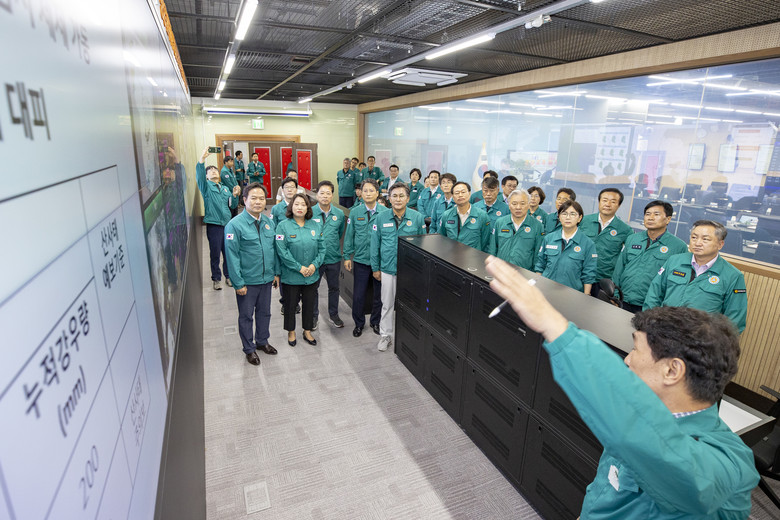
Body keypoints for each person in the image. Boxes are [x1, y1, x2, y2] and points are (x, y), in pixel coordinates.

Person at [484, 256, 759, 520]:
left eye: (635, 349)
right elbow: (611, 484)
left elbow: (654, 445)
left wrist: (555, 327)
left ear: (672, 371)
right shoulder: (640, 421)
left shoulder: (728, 466)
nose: (627, 359)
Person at [644, 220, 747, 333]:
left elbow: (735, 319)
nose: (697, 243)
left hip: (699, 338)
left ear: (720, 244)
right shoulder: (674, 261)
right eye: (694, 237)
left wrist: (714, 341)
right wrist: (649, 323)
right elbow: (654, 294)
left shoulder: (733, 276)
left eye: (705, 239)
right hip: (663, 330)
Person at [224, 183, 280, 365]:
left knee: (265, 313)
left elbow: (274, 250)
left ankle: (262, 341)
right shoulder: (234, 225)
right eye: (253, 198)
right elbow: (231, 257)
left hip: (266, 279)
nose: (258, 202)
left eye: (262, 198)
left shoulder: (269, 223)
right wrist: (238, 283)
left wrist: (276, 273)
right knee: (246, 316)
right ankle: (249, 349)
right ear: (244, 200)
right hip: (247, 281)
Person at [371, 183, 427, 351]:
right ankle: (385, 335)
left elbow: (423, 245)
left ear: (408, 198)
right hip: (387, 268)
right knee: (387, 304)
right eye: (394, 196)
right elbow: (375, 245)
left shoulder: (417, 217)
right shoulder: (381, 218)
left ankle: (409, 336)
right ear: (389, 198)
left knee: (410, 306)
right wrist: (375, 268)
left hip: (410, 271)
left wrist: (420, 270)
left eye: (402, 196)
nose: (398, 199)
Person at [612, 201, 688, 313]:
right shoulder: (633, 238)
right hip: (623, 300)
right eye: (647, 214)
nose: (650, 218)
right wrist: (615, 295)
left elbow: (676, 284)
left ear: (668, 219)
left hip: (651, 307)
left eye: (656, 214)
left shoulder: (678, 246)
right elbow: (619, 269)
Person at [275, 194, 325, 347]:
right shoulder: (283, 226)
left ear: (308, 208)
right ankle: (291, 331)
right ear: (291, 207)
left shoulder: (315, 225)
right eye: (296, 204)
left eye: (303, 204)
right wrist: (299, 267)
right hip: (291, 275)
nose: (300, 207)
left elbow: (322, 249)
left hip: (311, 275)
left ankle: (307, 331)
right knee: (290, 305)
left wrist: (314, 265)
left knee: (309, 304)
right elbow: (282, 251)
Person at [343, 178, 388, 337]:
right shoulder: (355, 212)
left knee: (379, 295)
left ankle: (375, 322)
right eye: (365, 191)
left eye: (371, 190)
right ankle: (359, 323)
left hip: (380, 261)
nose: (368, 193)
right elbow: (349, 236)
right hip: (361, 260)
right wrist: (347, 256)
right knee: (359, 295)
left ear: (377, 193)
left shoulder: (385, 212)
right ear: (360, 193)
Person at [196, 147, 239, 290]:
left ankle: (228, 276)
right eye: (210, 171)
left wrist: (234, 195)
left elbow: (232, 205)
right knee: (215, 253)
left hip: (227, 224)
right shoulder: (206, 187)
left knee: (228, 252)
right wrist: (202, 159)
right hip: (214, 225)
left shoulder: (225, 188)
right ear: (207, 176)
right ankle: (216, 278)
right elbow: (199, 176)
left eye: (215, 169)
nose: (214, 171)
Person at [534, 200, 597, 293]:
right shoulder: (549, 238)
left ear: (579, 218)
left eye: (572, 214)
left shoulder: (588, 244)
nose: (568, 217)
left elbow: (589, 274)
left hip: (572, 293)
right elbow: (540, 265)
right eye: (564, 214)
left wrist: (586, 295)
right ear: (559, 217)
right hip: (546, 289)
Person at [580, 188, 633, 290]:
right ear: (599, 202)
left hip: (603, 281)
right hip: (578, 275)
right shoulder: (583, 221)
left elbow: (628, 257)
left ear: (619, 205)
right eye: (604, 200)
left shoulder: (625, 230)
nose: (608, 204)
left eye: (613, 202)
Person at [311, 181, 346, 329]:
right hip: (315, 259)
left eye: (328, 193)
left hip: (333, 257)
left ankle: (334, 314)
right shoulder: (309, 212)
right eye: (322, 193)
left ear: (332, 195)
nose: (325, 196)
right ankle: (313, 316)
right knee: (313, 288)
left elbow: (339, 233)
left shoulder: (339, 214)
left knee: (334, 288)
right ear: (317, 195)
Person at [488, 189, 544, 270]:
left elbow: (537, 255)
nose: (518, 207)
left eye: (522, 204)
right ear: (509, 205)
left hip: (524, 273)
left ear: (528, 205)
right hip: (501, 271)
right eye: (514, 203)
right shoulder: (500, 223)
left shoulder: (537, 226)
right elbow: (493, 249)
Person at [438, 181, 492, 252]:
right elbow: (442, 237)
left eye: (463, 192)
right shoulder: (447, 215)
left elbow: (485, 240)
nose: (460, 195)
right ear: (453, 196)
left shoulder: (482, 215)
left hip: (473, 256)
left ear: (469, 193)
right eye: (457, 193)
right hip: (451, 255)